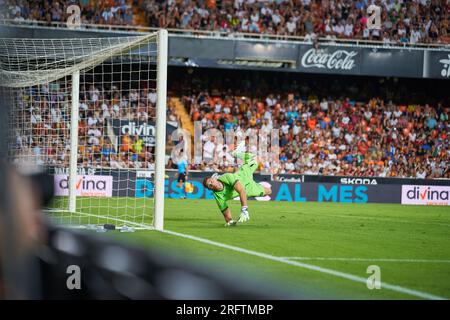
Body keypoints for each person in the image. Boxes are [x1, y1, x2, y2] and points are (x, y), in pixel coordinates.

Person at [202, 142, 272, 226]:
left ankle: (237, 153)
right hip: (248, 189)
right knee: (269, 191)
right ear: (210, 189)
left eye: (211, 181)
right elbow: (225, 210)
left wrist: (244, 210)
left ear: (214, 179)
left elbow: (241, 191)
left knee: (255, 159)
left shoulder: (227, 177)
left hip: (244, 174)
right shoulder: (218, 196)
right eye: (210, 185)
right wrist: (230, 221)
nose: (212, 184)